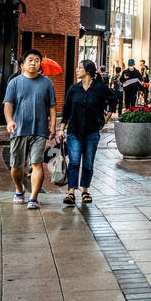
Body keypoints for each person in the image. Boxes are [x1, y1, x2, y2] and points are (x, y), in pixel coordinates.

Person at [3, 49, 57, 210]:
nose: (33, 63)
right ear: (23, 65)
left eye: (36, 60)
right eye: (30, 60)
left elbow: (52, 107)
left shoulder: (47, 82)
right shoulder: (15, 82)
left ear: (40, 64)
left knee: (37, 164)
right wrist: (9, 121)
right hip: (19, 130)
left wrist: (53, 125)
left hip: (39, 130)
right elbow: (8, 104)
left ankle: (33, 197)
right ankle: (19, 188)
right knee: (16, 167)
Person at [58, 60, 112, 208]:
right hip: (74, 131)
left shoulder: (100, 88)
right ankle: (71, 191)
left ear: (88, 70)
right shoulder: (74, 88)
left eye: (79, 68)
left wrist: (107, 118)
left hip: (92, 132)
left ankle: (85, 190)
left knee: (88, 164)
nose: (76, 70)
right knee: (74, 162)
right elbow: (66, 108)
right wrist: (62, 129)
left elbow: (114, 99)